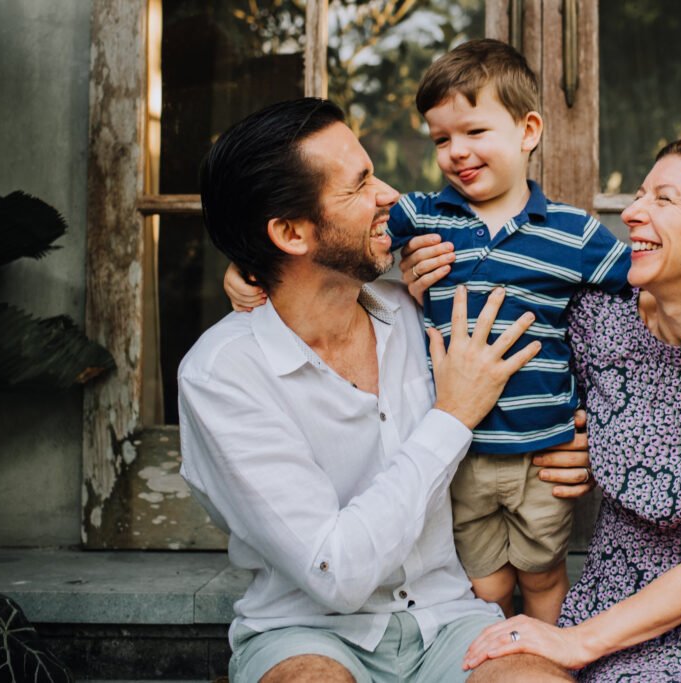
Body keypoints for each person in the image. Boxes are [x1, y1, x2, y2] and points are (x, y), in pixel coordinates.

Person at [402, 137, 681, 682]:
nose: (631, 213)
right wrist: (427, 284)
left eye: (663, 199)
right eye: (639, 195)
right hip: (605, 620)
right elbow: (493, 354)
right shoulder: (596, 320)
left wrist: (577, 641)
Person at [180, 97, 588, 683]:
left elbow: (558, 347)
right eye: (360, 184)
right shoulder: (222, 375)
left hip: (453, 620)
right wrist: (452, 416)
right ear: (291, 232)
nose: (390, 195)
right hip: (306, 630)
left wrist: (577, 445)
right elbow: (336, 574)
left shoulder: (425, 309)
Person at [225, 38, 631, 625]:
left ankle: (550, 654)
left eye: (475, 131)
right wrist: (248, 267)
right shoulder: (423, 217)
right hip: (460, 454)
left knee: (543, 573)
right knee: (486, 582)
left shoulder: (573, 233)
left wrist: (612, 424)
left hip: (543, 454)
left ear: (528, 131)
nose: (456, 151)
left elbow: (644, 295)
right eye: (441, 139)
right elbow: (329, 238)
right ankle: (493, 653)